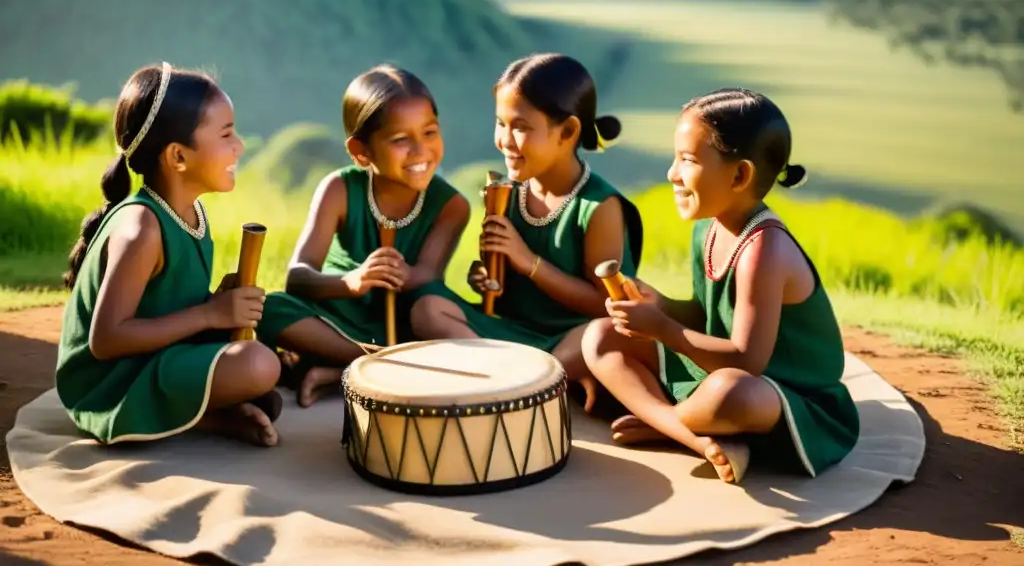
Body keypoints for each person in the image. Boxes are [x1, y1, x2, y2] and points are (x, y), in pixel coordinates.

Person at [581, 87, 860, 484]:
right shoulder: (709, 227)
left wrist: (661, 328)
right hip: (714, 370)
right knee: (600, 337)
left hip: (786, 397)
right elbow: (706, 316)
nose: (672, 174)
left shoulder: (763, 248)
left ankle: (668, 423)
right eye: (675, 158)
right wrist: (659, 305)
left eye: (688, 160)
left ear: (740, 174)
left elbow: (747, 362)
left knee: (731, 394)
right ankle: (694, 434)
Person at [56, 62, 283, 448]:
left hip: (156, 354)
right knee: (258, 366)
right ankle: (200, 418)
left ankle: (200, 412)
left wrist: (217, 301)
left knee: (270, 324)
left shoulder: (190, 212)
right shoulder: (141, 227)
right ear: (178, 157)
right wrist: (211, 313)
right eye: (226, 134)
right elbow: (106, 340)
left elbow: (164, 304)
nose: (239, 146)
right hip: (112, 381)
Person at [410, 53, 644, 404]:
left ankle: (511, 378)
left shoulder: (599, 207)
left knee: (607, 333)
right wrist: (489, 280)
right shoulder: (510, 194)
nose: (504, 139)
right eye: (500, 123)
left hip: (570, 339)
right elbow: (505, 295)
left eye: (519, 127)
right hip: (509, 336)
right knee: (427, 308)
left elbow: (606, 305)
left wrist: (528, 263)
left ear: (567, 132)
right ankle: (530, 381)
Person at [257, 65, 470, 407]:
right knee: (269, 308)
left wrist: (405, 275)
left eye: (430, 132)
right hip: (340, 315)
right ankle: (381, 363)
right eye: (401, 140)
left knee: (431, 312)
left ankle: (341, 368)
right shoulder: (339, 189)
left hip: (403, 320)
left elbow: (430, 273)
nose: (420, 151)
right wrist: (352, 282)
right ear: (361, 151)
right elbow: (298, 277)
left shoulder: (452, 206)